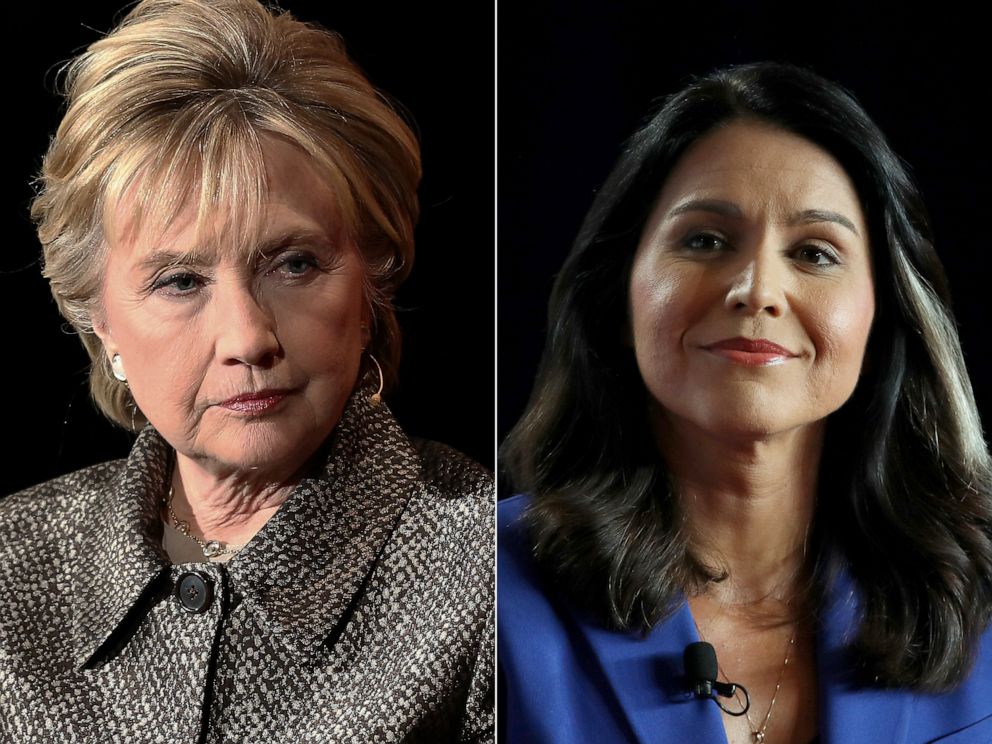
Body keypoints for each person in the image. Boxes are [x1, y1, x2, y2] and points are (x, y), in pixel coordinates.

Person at [0, 1, 493, 741]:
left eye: (294, 264)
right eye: (180, 282)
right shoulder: (14, 556)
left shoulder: (497, 568)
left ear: (370, 289)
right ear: (102, 325)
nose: (248, 338)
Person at [498, 62, 992, 744]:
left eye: (816, 253)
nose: (757, 288)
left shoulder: (979, 602)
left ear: (882, 318)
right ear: (619, 296)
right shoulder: (471, 588)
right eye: (705, 240)